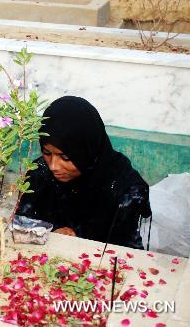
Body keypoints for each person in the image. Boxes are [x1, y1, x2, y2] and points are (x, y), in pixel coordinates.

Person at [17, 96, 151, 249]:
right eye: (47, 153)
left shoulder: (123, 187)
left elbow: (126, 251)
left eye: (65, 157)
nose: (53, 166)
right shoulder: (39, 173)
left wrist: (78, 238)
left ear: (87, 151)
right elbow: (21, 225)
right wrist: (50, 233)